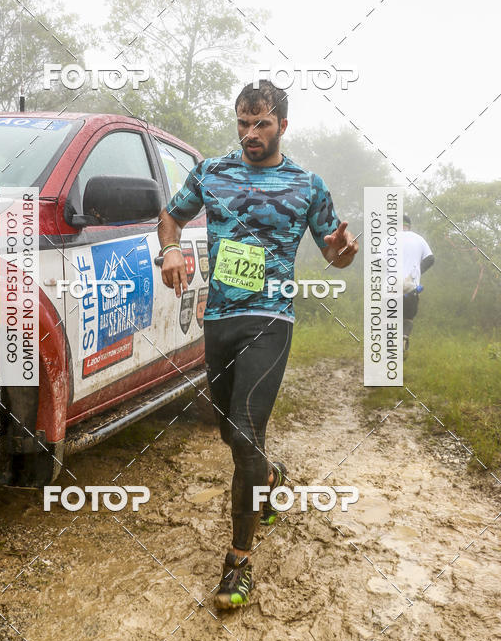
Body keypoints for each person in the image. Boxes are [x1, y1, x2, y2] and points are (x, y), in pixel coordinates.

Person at [156, 80, 358, 610]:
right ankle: (268, 477)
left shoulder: (307, 185)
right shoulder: (212, 172)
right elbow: (170, 216)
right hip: (220, 317)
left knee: (245, 432)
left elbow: (335, 253)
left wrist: (342, 253)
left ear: (282, 126)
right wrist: (171, 251)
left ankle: (237, 564)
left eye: (261, 123)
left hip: (271, 319)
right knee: (227, 430)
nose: (250, 133)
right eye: (243, 122)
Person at [400, 213, 435, 356]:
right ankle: (404, 337)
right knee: (408, 317)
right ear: (409, 226)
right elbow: (431, 259)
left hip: (391, 286)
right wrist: (418, 272)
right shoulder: (418, 239)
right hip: (411, 286)